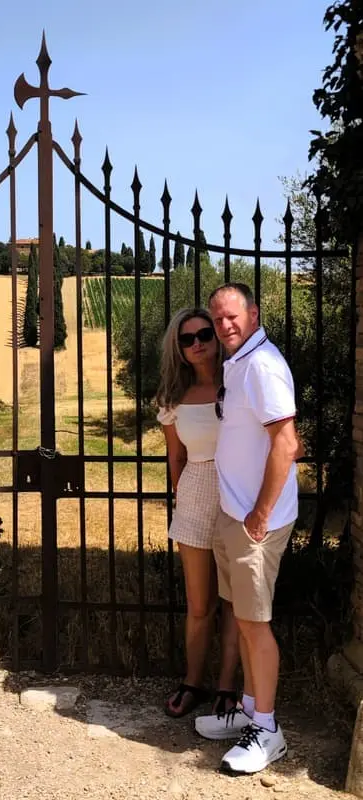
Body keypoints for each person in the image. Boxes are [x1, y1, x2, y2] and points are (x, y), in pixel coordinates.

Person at [194, 282, 299, 775]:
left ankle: (268, 730)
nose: (225, 326)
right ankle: (253, 712)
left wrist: (259, 513)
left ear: (253, 315)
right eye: (218, 320)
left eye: (233, 316)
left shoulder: (262, 366)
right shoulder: (238, 364)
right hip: (235, 516)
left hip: (258, 522)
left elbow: (287, 443)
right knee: (244, 619)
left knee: (256, 625)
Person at [157, 308, 239, 719]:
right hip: (194, 496)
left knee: (234, 601)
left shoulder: (238, 385)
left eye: (204, 334)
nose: (197, 344)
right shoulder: (173, 398)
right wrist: (182, 496)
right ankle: (193, 682)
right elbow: (176, 456)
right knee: (198, 604)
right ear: (179, 347)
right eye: (187, 339)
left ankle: (227, 687)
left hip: (235, 496)